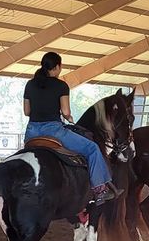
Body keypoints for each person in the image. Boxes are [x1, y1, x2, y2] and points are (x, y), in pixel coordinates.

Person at [23, 52, 117, 204]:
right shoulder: (61, 85)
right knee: (92, 148)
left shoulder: (30, 84)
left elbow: (27, 112)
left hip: (31, 133)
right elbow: (66, 112)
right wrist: (69, 118)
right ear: (58, 67)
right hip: (53, 131)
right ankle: (100, 189)